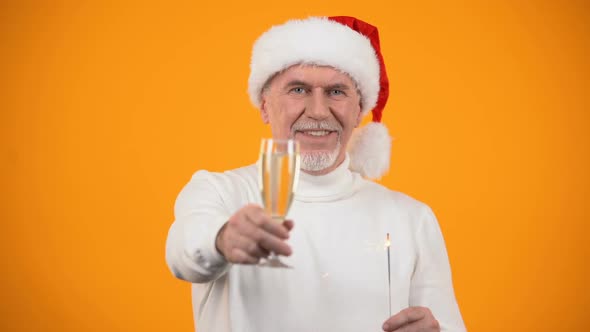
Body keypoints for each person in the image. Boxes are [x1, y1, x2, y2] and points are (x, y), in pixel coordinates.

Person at [166, 16, 466, 332]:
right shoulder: (220, 192)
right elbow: (184, 251)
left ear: (359, 109)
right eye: (299, 89)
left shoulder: (412, 219)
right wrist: (223, 239)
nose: (319, 111)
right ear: (265, 106)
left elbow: (446, 325)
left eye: (337, 92)